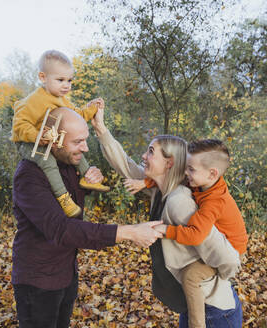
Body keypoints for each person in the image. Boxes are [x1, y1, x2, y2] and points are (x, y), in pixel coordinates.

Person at [11, 107, 163, 328]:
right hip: (38, 281)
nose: (85, 147)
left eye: (85, 140)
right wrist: (128, 232)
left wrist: (91, 182)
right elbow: (61, 229)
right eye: (78, 142)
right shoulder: (30, 174)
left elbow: (71, 198)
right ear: (54, 140)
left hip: (66, 271)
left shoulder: (69, 164)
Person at [91, 108, 243, 327]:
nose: (144, 156)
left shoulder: (179, 202)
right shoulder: (159, 191)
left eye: (151, 151)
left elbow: (228, 258)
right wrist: (100, 129)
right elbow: (126, 166)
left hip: (213, 311)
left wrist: (219, 280)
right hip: (192, 306)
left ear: (169, 163)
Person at [125, 139, 248, 328]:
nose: (185, 173)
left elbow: (197, 235)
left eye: (190, 169)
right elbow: (171, 178)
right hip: (207, 305)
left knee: (191, 276)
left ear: (212, 173)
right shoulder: (202, 183)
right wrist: (145, 182)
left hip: (232, 256)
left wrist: (167, 230)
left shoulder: (213, 202)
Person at [11, 49, 109, 218]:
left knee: (76, 146)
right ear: (43, 77)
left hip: (50, 138)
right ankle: (63, 198)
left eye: (70, 80)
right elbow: (19, 126)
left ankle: (87, 177)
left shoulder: (62, 99)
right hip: (27, 143)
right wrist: (37, 136)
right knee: (46, 159)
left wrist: (92, 107)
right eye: (61, 80)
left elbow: (77, 115)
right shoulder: (32, 101)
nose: (67, 85)